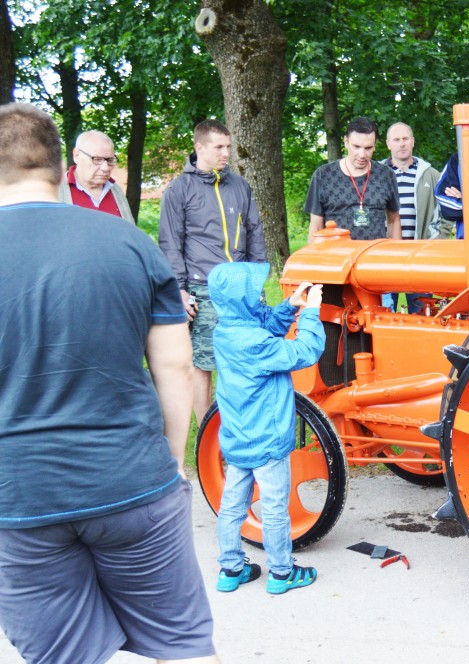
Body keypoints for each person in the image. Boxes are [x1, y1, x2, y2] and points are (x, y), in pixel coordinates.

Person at [0, 103, 219, 663]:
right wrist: (171, 462)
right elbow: (173, 366)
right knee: (182, 648)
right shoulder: (131, 244)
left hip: (18, 502)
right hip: (131, 480)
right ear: (58, 165)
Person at [209, 262, 327, 592]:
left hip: (237, 437)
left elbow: (263, 325)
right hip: (267, 440)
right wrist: (310, 313)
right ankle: (281, 572)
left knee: (232, 505)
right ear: (243, 301)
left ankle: (230, 570)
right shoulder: (257, 345)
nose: (262, 296)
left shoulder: (226, 331)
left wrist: (290, 306)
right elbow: (306, 350)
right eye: (256, 294)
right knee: (275, 508)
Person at [159, 118, 267, 428]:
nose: (226, 153)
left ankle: (239, 426)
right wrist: (178, 290)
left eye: (229, 147)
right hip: (203, 288)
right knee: (203, 364)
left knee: (242, 360)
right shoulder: (180, 188)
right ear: (199, 147)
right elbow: (170, 242)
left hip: (241, 288)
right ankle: (209, 435)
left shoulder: (240, 185)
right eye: (219, 147)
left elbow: (255, 233)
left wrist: (256, 281)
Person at [306, 116, 401, 243]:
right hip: (336, 256)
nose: (362, 154)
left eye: (368, 148)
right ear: (346, 142)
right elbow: (316, 226)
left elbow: (394, 220)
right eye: (356, 147)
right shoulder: (323, 175)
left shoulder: (386, 175)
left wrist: (396, 257)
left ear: (374, 146)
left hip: (375, 256)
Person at [383, 122, 447, 240]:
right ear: (388, 144)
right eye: (396, 140)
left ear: (412, 141)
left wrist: (438, 239)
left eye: (405, 139)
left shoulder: (431, 175)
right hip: (385, 251)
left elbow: (447, 210)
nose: (402, 144)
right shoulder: (377, 175)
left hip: (422, 250)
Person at [57, 130, 134, 222]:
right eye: (97, 159)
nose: (105, 168)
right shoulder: (55, 190)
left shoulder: (116, 190)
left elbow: (129, 231)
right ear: (77, 155)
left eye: (110, 160)